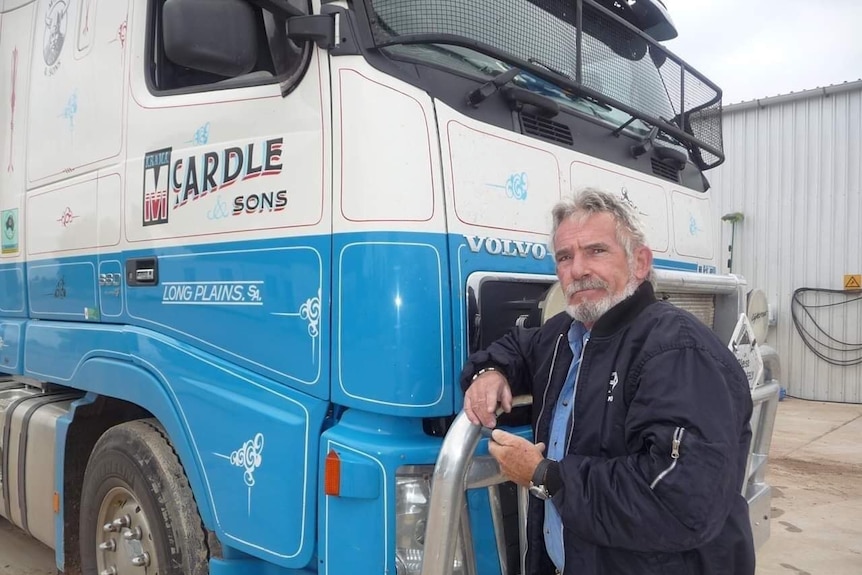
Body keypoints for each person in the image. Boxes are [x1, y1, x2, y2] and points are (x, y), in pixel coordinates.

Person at [460, 188, 755, 574]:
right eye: (565, 257)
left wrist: (544, 474)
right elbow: (517, 345)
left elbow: (681, 501)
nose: (578, 270)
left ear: (640, 263)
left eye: (596, 251)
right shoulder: (567, 334)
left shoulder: (678, 352)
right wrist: (489, 372)